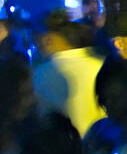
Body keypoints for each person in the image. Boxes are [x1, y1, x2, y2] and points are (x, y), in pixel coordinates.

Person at [31, 10, 106, 138]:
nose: (37, 48)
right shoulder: (101, 64)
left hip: (66, 151)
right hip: (104, 147)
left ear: (48, 39)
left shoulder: (39, 75)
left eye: (37, 41)